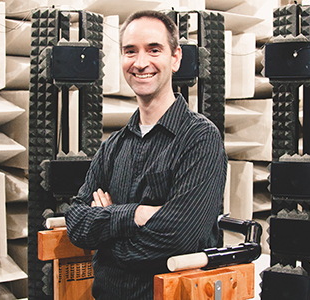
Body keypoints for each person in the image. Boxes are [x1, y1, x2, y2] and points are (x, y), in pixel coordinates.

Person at [64, 10, 227, 300]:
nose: (141, 63)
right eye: (130, 51)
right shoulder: (113, 146)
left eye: (154, 50)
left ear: (175, 58)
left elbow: (181, 237)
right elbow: (76, 221)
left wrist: (106, 234)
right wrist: (135, 214)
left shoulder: (201, 139)